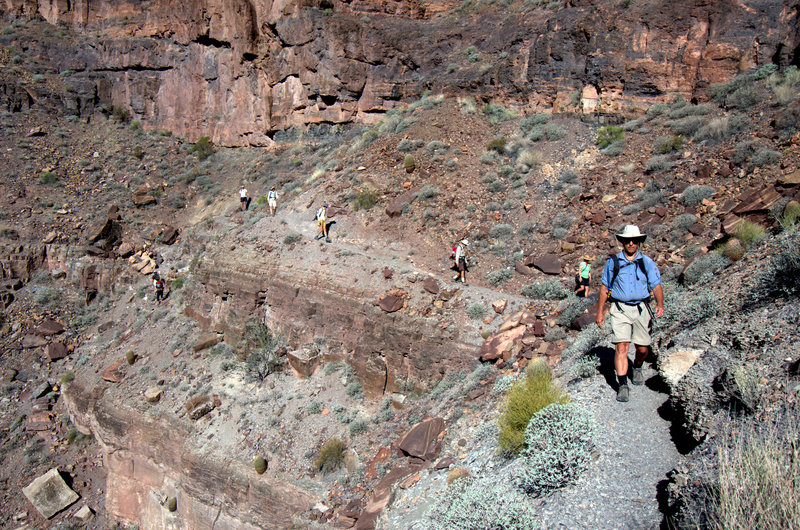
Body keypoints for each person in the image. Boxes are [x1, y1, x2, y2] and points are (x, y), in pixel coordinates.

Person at [595, 225, 664, 402]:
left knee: (642, 348)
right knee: (622, 347)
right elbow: (604, 288)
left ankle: (638, 366)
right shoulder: (613, 263)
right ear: (622, 242)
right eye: (627, 240)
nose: (631, 243)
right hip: (620, 309)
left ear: (639, 241)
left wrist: (660, 304)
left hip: (641, 308)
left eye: (634, 240)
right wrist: (600, 313)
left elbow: (656, 285)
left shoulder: (646, 262)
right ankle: (623, 385)